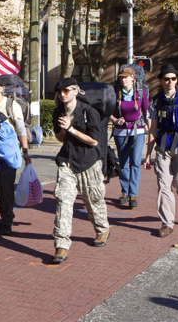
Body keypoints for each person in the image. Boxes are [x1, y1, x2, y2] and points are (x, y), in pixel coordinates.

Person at [51, 77, 110, 264]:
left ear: (76, 91)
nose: (62, 94)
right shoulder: (58, 112)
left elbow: (94, 141)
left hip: (89, 162)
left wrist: (72, 129)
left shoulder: (89, 112)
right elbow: (60, 138)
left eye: (66, 90)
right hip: (67, 162)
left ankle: (102, 230)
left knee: (93, 201)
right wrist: (63, 129)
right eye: (59, 91)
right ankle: (61, 244)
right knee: (63, 201)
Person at [143, 64, 178, 238]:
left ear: (177, 80)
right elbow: (152, 129)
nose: (170, 82)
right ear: (160, 80)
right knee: (164, 184)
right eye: (166, 79)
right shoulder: (156, 101)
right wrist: (148, 154)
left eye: (173, 78)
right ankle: (167, 223)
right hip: (163, 144)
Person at [0, 76, 31, 235]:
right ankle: (4, 216)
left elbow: (21, 130)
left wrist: (25, 152)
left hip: (9, 154)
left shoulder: (12, 105)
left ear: (1, 88)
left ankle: (7, 220)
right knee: (0, 187)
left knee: (7, 186)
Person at [110, 67, 149, 209]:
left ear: (133, 78)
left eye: (126, 77)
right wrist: (114, 120)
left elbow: (147, 113)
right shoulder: (115, 93)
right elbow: (108, 112)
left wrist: (149, 132)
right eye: (121, 77)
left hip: (137, 131)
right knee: (123, 163)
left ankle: (133, 194)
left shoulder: (140, 93)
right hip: (120, 132)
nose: (123, 79)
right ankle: (124, 192)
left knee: (136, 162)